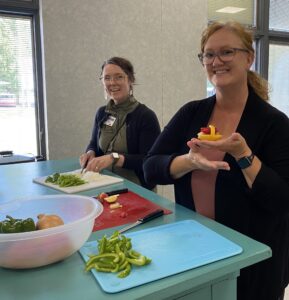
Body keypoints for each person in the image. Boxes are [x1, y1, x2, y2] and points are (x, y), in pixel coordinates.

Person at [143, 21, 289, 300]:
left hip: (254, 260)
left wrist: (242, 155)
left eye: (226, 52)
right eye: (208, 55)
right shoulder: (191, 113)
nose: (216, 61)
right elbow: (151, 168)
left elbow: (281, 200)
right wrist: (189, 162)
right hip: (197, 248)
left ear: (249, 57)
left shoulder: (275, 124)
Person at [80, 56, 160, 190]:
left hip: (137, 190)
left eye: (119, 77)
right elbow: (94, 143)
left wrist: (114, 158)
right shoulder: (101, 113)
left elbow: (151, 161)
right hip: (105, 185)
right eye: (107, 78)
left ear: (130, 80)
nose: (112, 82)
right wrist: (90, 152)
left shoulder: (146, 116)